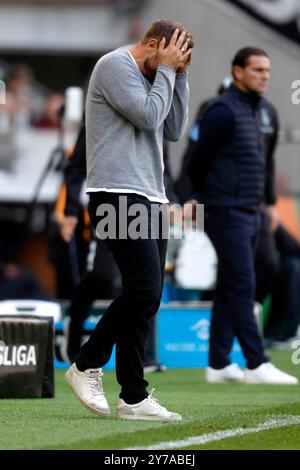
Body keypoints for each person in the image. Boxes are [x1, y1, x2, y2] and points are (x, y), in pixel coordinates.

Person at [64, 19, 193, 420]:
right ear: (152, 43)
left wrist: (180, 76)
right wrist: (169, 71)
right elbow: (150, 117)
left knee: (149, 297)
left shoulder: (162, 74)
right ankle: (85, 363)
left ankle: (133, 395)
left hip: (152, 195)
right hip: (117, 193)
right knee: (141, 288)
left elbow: (172, 128)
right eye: (170, 53)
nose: (172, 63)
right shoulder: (114, 65)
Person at [188, 47, 298, 385]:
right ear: (238, 72)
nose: (265, 75)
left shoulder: (267, 111)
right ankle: (256, 361)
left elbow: (266, 162)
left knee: (236, 282)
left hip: (252, 210)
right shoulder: (220, 110)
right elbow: (195, 159)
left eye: (267, 70)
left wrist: (268, 204)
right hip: (223, 210)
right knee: (242, 282)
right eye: (257, 70)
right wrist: (192, 198)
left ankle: (219, 363)